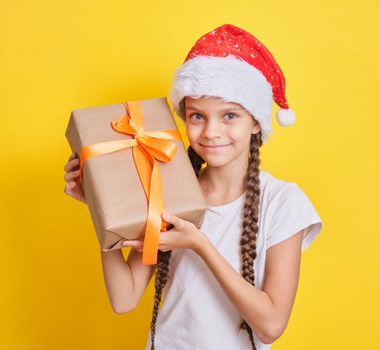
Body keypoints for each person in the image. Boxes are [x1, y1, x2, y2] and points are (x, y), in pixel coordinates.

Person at [63, 23, 323, 350]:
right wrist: (101, 208)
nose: (211, 131)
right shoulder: (165, 188)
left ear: (256, 121)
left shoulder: (283, 202)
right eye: (198, 116)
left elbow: (271, 326)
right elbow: (124, 297)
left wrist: (200, 244)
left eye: (229, 116)